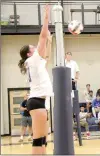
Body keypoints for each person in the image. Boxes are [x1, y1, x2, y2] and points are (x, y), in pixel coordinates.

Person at [18, 4, 53, 154]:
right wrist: (46, 17)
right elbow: (42, 36)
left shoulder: (34, 62)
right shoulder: (32, 60)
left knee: (43, 138)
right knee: (38, 139)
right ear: (29, 53)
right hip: (36, 101)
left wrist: (50, 42)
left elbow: (47, 58)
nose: (36, 47)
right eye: (33, 47)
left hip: (39, 101)